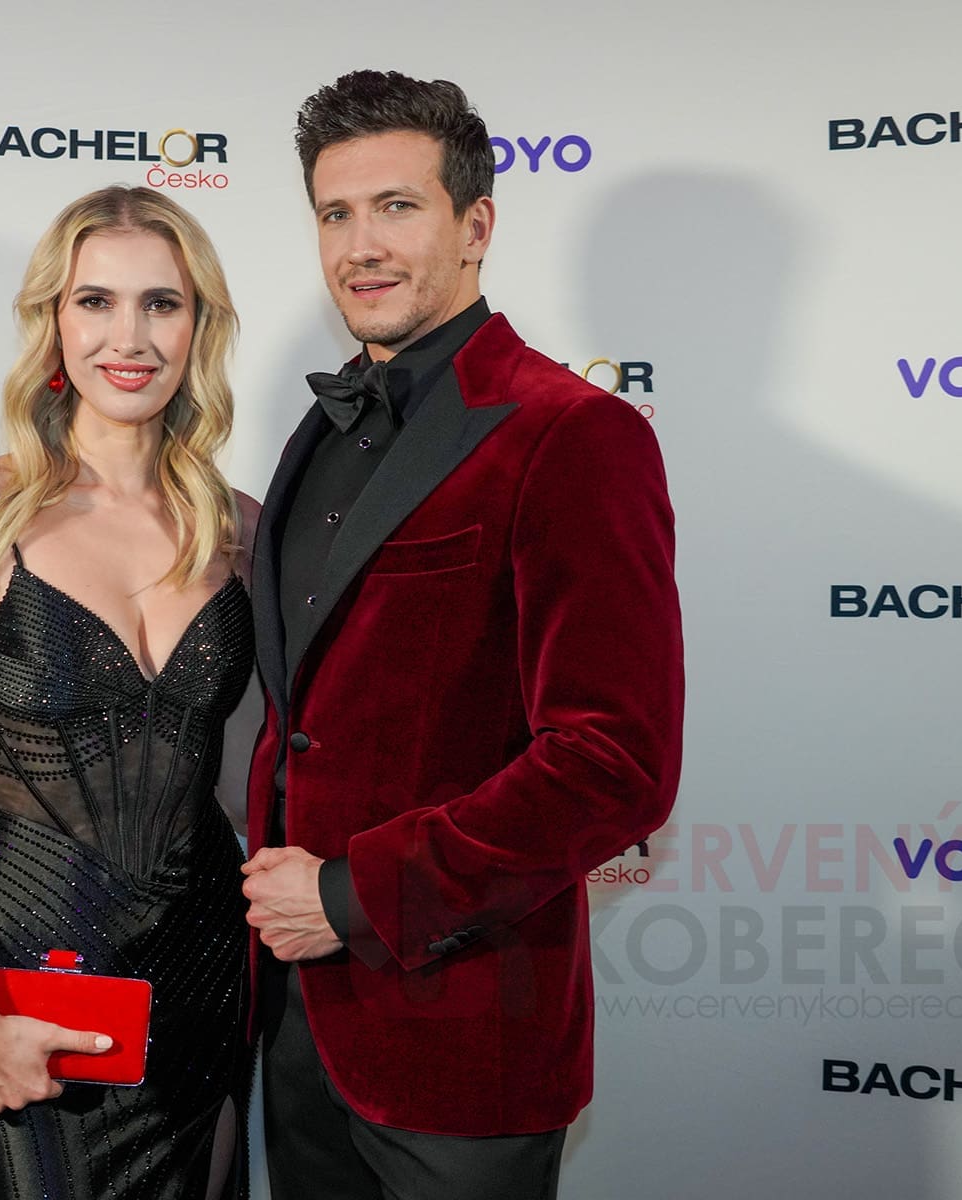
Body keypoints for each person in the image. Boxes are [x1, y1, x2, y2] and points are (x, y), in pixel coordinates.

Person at [240, 71, 685, 1200]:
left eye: (398, 207)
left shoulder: (572, 434)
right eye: (336, 214)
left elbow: (614, 763)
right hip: (297, 1025)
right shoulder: (314, 433)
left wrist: (353, 897)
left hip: (466, 1038)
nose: (361, 246)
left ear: (476, 225)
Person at [0, 185, 259, 1200]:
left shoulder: (243, 530)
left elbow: (257, 777)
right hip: (22, 976)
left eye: (162, 304)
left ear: (200, 326)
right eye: (96, 301)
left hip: (203, 967)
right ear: (53, 318)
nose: (128, 337)